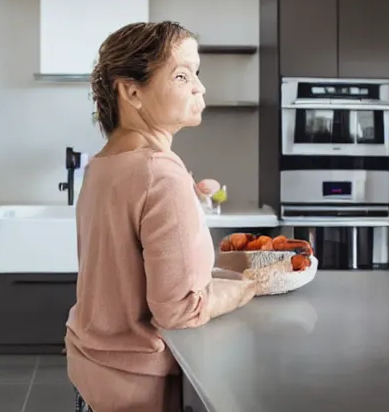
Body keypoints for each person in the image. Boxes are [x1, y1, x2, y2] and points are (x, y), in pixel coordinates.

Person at [65, 21, 257, 412]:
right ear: (131, 91)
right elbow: (179, 309)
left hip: (92, 371)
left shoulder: (103, 165)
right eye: (182, 75)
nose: (199, 87)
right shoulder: (159, 171)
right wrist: (244, 288)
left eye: (196, 74)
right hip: (138, 387)